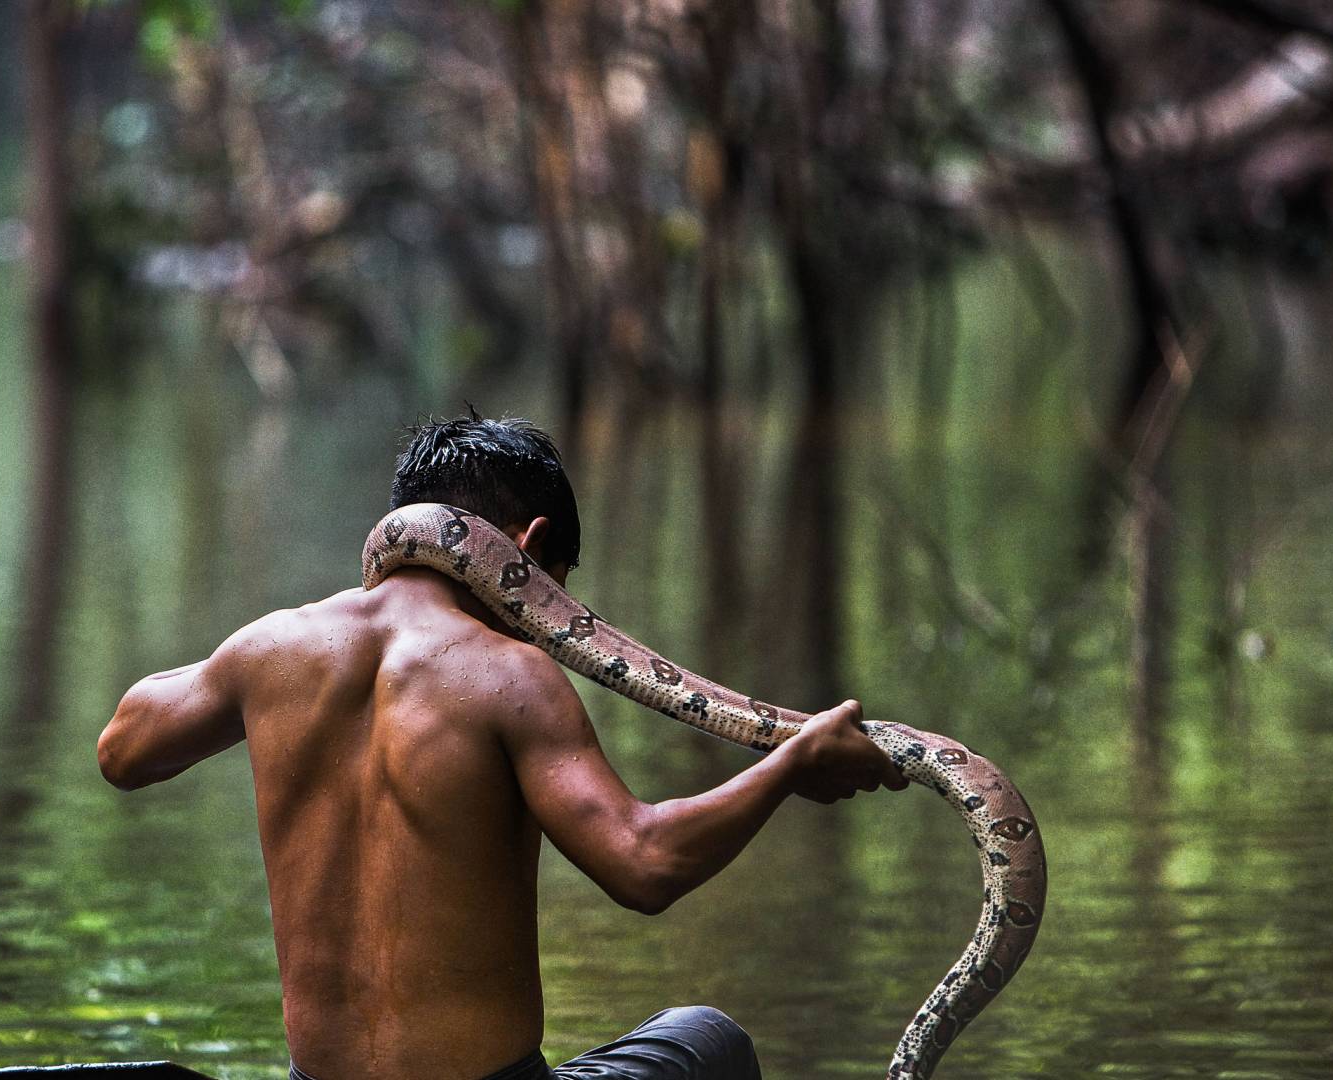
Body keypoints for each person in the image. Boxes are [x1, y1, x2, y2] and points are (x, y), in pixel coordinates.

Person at [98, 413, 908, 1080]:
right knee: (709, 1042)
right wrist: (790, 766)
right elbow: (645, 863)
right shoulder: (509, 676)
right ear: (529, 546)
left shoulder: (272, 649)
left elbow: (121, 752)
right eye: (560, 584)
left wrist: (250, 661)